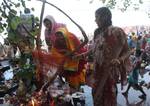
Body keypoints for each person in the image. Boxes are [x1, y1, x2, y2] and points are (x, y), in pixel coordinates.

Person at [74, 7, 131, 106]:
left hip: (110, 72)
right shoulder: (97, 32)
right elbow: (94, 49)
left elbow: (128, 51)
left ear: (105, 17)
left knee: (110, 95)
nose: (95, 20)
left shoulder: (117, 31)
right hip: (97, 71)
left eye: (97, 17)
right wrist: (82, 55)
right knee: (96, 95)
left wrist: (119, 60)